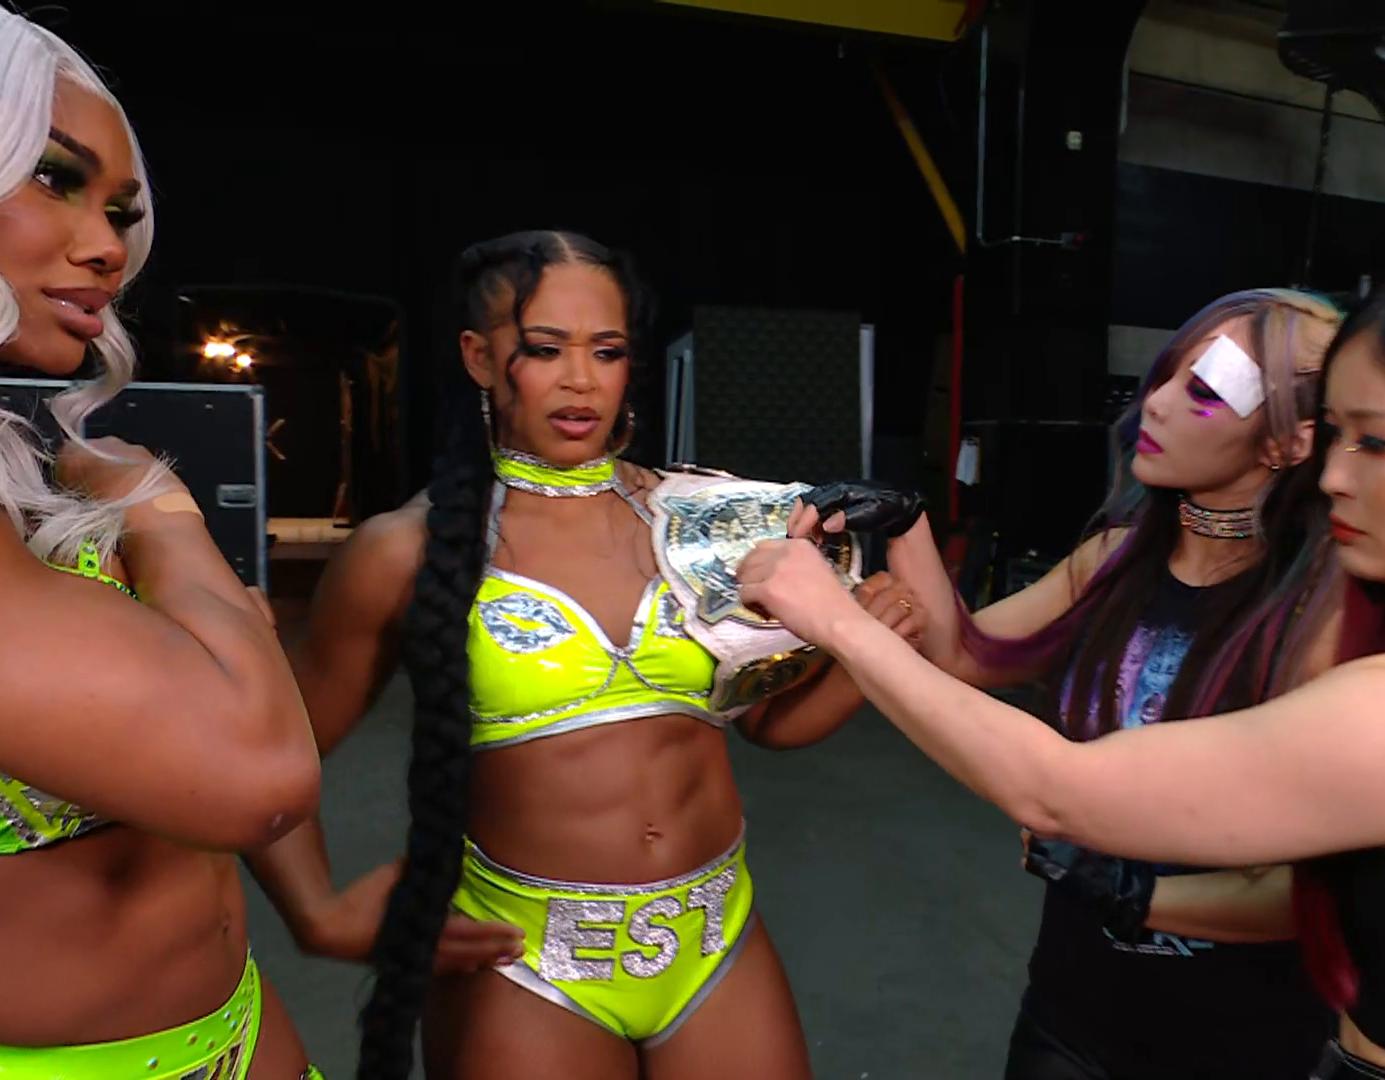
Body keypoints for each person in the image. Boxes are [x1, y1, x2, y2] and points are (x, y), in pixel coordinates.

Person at [740, 248, 1385, 1080]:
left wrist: (837, 621)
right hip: (1087, 1006)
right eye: (1340, 436)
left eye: (1380, 443)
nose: (1339, 474)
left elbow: (1057, 793)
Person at [245, 229, 927, 1080]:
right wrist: (317, 914)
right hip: (525, 961)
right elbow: (269, 762)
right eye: (544, 349)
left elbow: (767, 725)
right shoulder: (402, 551)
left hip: (716, 939)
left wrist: (863, 650)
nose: (580, 380)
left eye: (606, 351)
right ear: (479, 357)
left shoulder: (703, 520)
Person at [0, 2, 326, 1077]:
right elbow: (258, 769)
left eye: (120, 211)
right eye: (53, 177)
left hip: (237, 1024)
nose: (107, 248)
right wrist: (158, 507)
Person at [849, 290, 1345, 1079]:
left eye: (1203, 391)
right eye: (1166, 375)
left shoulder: (1324, 614)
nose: (1155, 403)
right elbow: (963, 655)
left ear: (1290, 442)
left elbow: (1321, 894)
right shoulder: (1112, 560)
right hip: (1071, 1016)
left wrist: (1132, 893)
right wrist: (904, 524)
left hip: (1243, 1042)